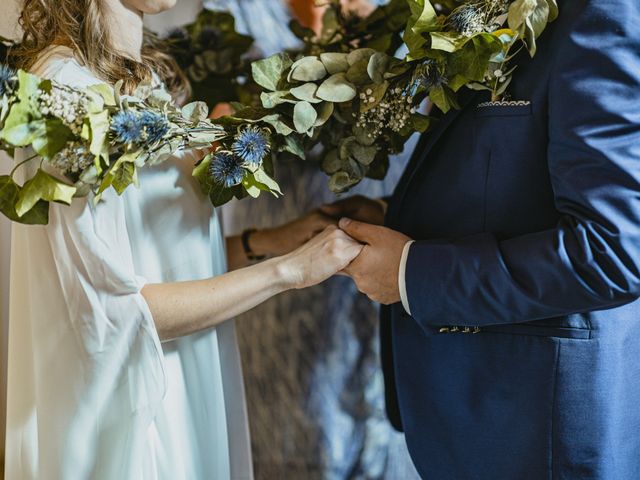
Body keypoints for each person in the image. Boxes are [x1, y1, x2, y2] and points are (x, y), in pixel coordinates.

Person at [5, 1, 363, 479]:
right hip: (131, 418)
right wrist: (289, 271)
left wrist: (272, 241)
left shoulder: (145, 85)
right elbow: (113, 313)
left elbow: (157, 265)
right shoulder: (66, 96)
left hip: (186, 390)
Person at [324, 0, 640, 478]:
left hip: (539, 427)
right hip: (476, 413)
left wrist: (410, 272)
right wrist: (397, 220)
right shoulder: (482, 10)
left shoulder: (599, 14)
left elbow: (610, 252)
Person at [205, 0, 420, 478]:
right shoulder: (234, 12)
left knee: (392, 441)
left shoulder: (422, 15)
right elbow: (210, 147)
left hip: (397, 265)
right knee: (289, 444)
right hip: (280, 279)